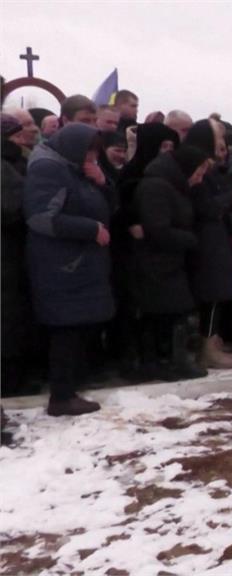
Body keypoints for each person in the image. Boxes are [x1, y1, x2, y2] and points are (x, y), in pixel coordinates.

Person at [23, 123, 114, 416]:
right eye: (89, 155)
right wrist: (89, 229)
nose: (92, 160)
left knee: (76, 328)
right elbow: (40, 217)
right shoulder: (48, 169)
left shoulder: (75, 169)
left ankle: (70, 388)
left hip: (78, 263)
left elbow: (109, 207)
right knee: (66, 329)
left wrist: (102, 182)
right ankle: (61, 397)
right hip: (61, 265)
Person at [134, 146, 211, 379]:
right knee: (164, 313)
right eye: (198, 172)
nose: (199, 179)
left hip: (170, 262)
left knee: (172, 313)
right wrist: (191, 239)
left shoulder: (173, 186)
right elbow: (158, 229)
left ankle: (169, 361)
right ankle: (161, 363)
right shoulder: (156, 186)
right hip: (156, 263)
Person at [113, 122, 181, 381]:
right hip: (134, 253)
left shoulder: (168, 176)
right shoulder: (134, 173)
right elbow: (120, 209)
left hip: (159, 251)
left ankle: (157, 358)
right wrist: (132, 222)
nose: (167, 152)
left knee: (159, 309)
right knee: (138, 311)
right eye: (163, 146)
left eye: (171, 148)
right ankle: (137, 360)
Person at [184, 119, 232, 369]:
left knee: (218, 292)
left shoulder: (213, 169)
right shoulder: (199, 169)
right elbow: (203, 206)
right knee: (211, 293)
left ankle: (213, 340)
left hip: (216, 237)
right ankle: (207, 347)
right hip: (205, 239)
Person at [2, 115, 35, 394]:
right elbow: (13, 208)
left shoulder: (18, 165)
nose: (20, 140)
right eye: (13, 137)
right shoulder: (6, 168)